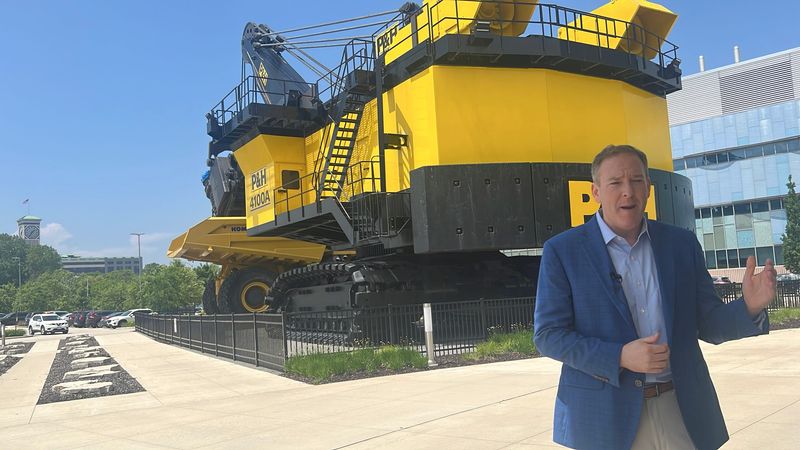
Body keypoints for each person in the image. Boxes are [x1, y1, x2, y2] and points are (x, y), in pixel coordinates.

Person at [533, 144, 776, 450]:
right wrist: (620, 356)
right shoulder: (563, 251)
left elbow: (709, 324)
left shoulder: (681, 244)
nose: (627, 192)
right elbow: (548, 335)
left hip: (682, 408)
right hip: (605, 419)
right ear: (595, 192)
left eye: (636, 181)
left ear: (648, 188)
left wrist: (749, 307)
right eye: (615, 183)